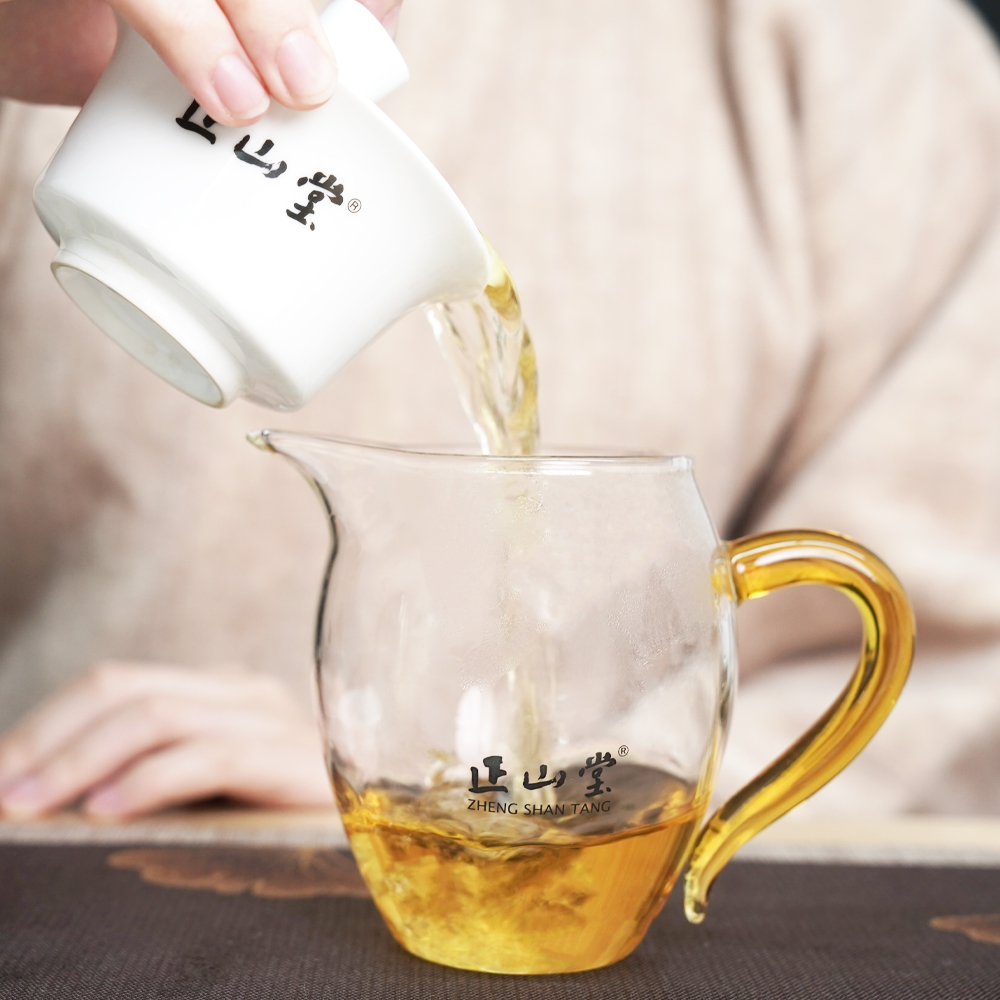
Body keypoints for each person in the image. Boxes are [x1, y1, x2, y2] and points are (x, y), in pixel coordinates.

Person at [1, 0, 999, 822]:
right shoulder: (70, 32)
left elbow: (956, 654)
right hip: (55, 845)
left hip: (584, 890)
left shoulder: (863, 56)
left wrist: (456, 799)